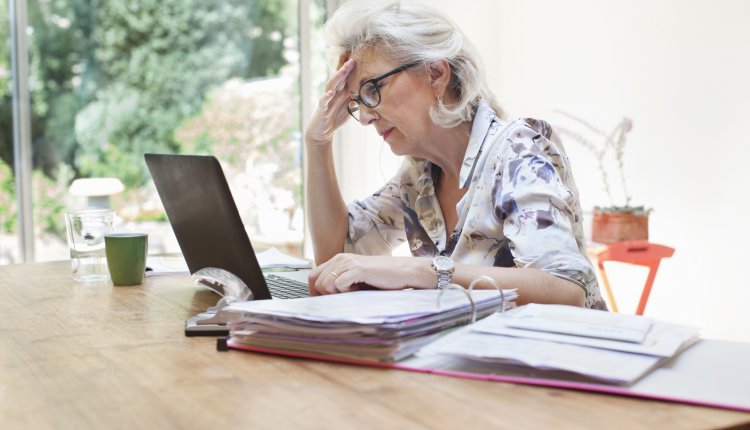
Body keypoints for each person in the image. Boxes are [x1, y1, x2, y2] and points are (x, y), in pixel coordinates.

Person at [304, 0, 606, 309]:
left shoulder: (517, 150)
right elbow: (333, 259)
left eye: (372, 90)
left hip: (561, 355)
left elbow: (566, 290)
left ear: (436, 74)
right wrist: (317, 144)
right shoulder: (419, 178)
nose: (366, 116)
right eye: (357, 101)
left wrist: (422, 271)